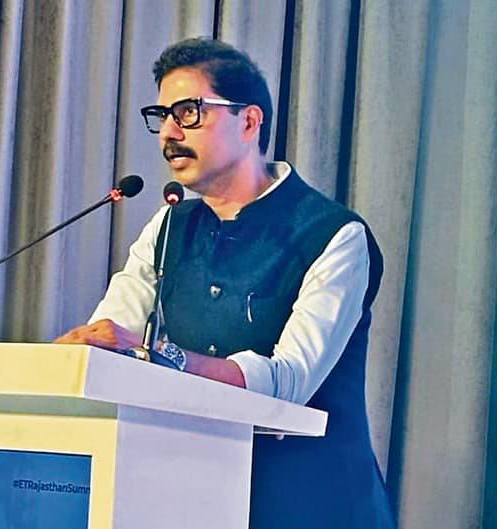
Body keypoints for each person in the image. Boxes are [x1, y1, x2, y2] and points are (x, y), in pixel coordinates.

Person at [55, 37, 396, 529]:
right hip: (197, 501)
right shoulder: (167, 226)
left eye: (188, 112)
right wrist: (85, 352)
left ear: (249, 122)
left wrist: (158, 355)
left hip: (316, 505)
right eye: (162, 115)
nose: (169, 132)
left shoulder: (335, 235)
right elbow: (111, 339)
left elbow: (287, 384)